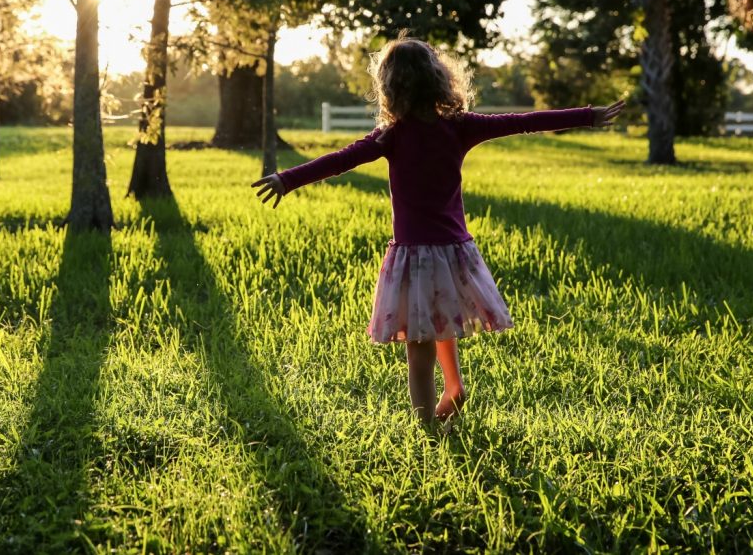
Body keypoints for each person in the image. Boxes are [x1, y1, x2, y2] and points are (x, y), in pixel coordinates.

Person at [252, 35, 624, 424]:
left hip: (416, 254)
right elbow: (525, 122)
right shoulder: (458, 127)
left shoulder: (391, 136)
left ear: (391, 88)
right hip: (452, 252)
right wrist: (587, 115)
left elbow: (339, 161)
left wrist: (287, 179)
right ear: (440, 80)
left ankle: (427, 427)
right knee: (439, 321)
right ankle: (454, 388)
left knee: (418, 346)